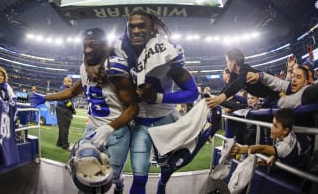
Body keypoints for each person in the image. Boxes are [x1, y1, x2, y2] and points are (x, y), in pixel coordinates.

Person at [30, 28, 139, 194]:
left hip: (117, 131)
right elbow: (72, 92)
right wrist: (46, 97)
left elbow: (133, 108)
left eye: (92, 45)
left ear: (104, 46)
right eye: (85, 45)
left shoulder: (114, 68)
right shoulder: (84, 68)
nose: (87, 50)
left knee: (112, 176)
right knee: (87, 174)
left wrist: (109, 128)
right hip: (93, 129)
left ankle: (120, 183)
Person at [112, 10, 198, 194]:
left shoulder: (165, 51)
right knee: (139, 177)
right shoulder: (119, 50)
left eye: (141, 25)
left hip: (165, 119)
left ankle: (162, 184)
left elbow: (192, 93)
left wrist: (158, 97)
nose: (136, 30)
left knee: (169, 166)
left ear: (154, 28)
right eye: (131, 26)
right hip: (141, 121)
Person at [230, 109, 311, 177]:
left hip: (297, 168)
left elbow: (262, 148)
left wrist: (241, 149)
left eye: (275, 126)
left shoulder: (285, 147)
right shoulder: (285, 133)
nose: (271, 128)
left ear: (285, 130)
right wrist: (274, 155)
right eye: (272, 124)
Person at [206, 48, 279, 109]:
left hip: (278, 97)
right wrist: (215, 98)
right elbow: (228, 87)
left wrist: (220, 98)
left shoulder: (246, 69)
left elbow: (238, 83)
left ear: (233, 62)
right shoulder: (234, 74)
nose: (227, 64)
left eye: (227, 61)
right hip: (269, 98)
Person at [55, 76, 75, 151]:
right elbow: (67, 102)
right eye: (69, 81)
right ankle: (65, 145)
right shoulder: (64, 89)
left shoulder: (65, 88)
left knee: (62, 127)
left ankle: (60, 142)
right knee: (64, 128)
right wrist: (73, 110)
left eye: (71, 81)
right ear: (64, 82)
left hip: (63, 110)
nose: (71, 83)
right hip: (64, 110)